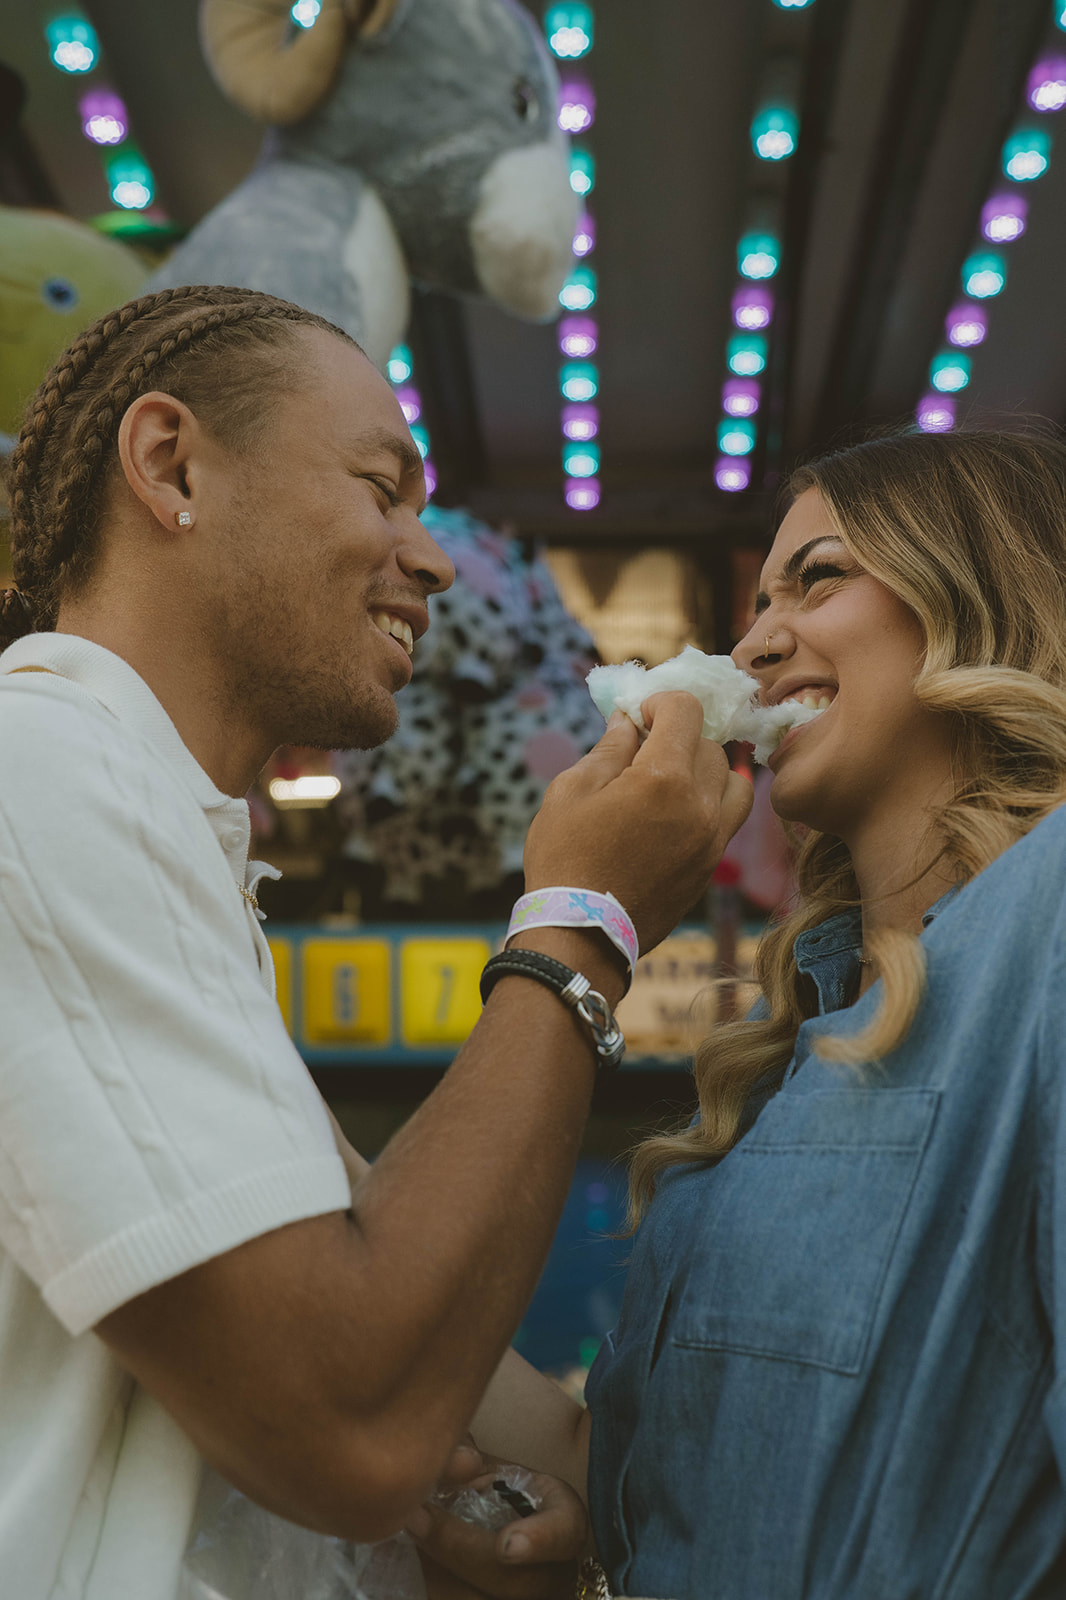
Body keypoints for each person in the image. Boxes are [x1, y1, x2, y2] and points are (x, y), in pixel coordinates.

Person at [0, 284, 751, 1600]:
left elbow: (412, 1337)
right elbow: (351, 1420)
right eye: (380, 487)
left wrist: (566, 1494)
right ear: (171, 464)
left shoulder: (150, 833)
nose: (434, 556)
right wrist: (583, 924)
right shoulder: (43, 776)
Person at [424, 427, 1066, 1600]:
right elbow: (616, 1471)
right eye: (757, 600)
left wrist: (573, 919)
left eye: (818, 578)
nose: (755, 641)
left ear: (984, 593)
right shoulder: (799, 1042)